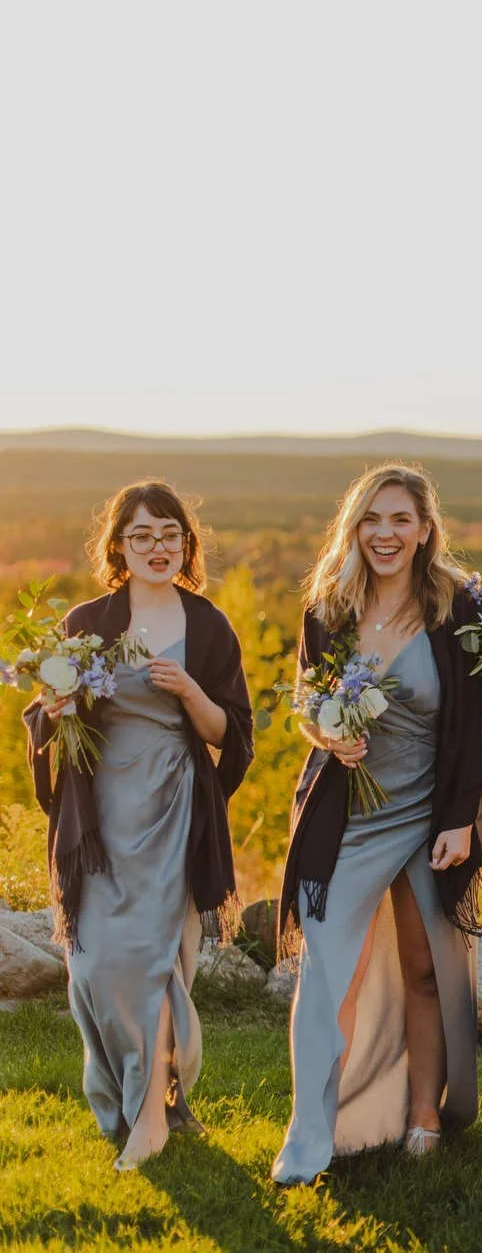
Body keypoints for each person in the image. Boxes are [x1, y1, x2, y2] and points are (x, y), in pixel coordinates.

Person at [24, 481, 253, 1171]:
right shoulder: (89, 620)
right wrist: (54, 713)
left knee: (153, 963)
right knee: (94, 965)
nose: (158, 547)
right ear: (119, 546)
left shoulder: (208, 625)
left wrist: (190, 692)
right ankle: (143, 1096)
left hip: (172, 810)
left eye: (170, 535)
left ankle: (151, 1116)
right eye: (143, 535)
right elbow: (48, 720)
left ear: (188, 544)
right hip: (98, 817)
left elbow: (232, 734)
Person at [272, 464, 482, 1185]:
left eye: (400, 520)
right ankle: (310, 1138)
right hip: (349, 816)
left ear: (426, 530)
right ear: (353, 527)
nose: (385, 534)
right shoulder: (328, 607)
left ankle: (425, 1117)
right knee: (330, 976)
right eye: (372, 519)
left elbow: (471, 723)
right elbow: (307, 703)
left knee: (427, 969)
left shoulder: (459, 606)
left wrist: (462, 818)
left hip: (430, 814)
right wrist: (327, 736)